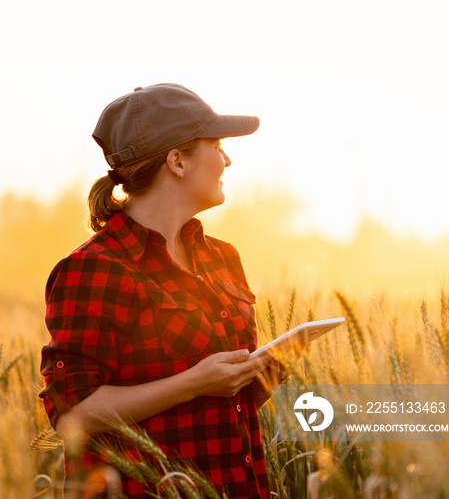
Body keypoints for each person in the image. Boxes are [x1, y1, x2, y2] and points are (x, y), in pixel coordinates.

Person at [40, 83, 279, 499]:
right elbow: (72, 415)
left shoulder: (222, 258)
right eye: (217, 145)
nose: (227, 159)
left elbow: (217, 408)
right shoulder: (96, 269)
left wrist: (256, 378)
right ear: (177, 162)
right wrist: (194, 382)